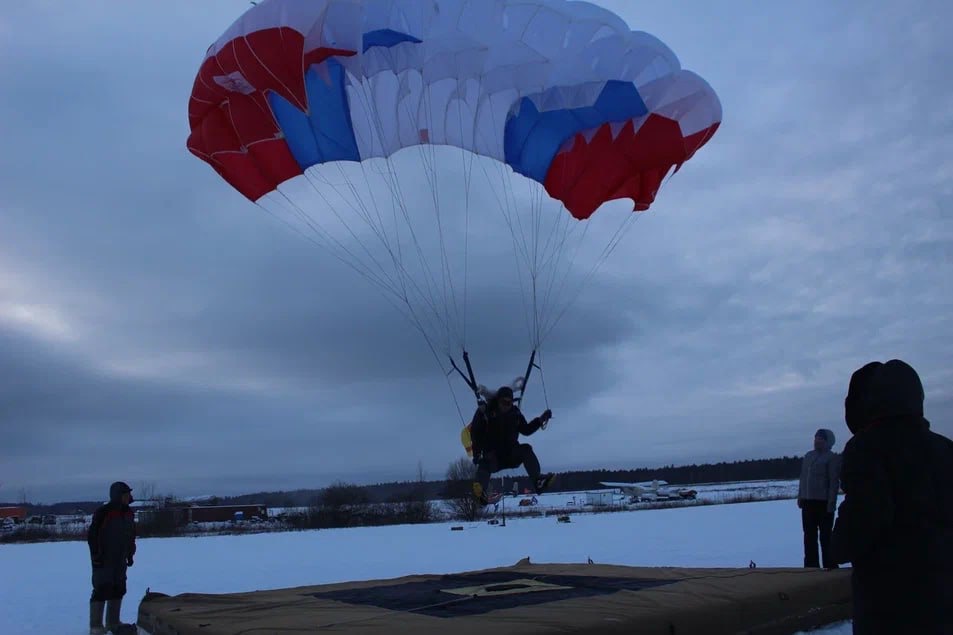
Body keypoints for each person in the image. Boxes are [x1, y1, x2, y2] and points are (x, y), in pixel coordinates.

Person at [831, 360, 953, 634]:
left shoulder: (866, 448)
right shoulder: (945, 448)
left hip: (889, 603)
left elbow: (866, 515)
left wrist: (837, 545)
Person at [469, 386, 553, 505]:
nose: (507, 405)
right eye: (504, 402)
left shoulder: (515, 413)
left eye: (509, 403)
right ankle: (480, 492)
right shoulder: (486, 412)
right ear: (498, 401)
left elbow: (526, 430)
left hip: (511, 454)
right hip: (494, 457)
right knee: (484, 463)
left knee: (526, 449)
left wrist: (540, 420)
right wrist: (476, 453)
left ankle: (538, 481)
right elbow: (475, 433)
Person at [87, 481, 137, 635]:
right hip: (104, 558)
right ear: (117, 495)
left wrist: (130, 553)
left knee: (118, 588)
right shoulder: (104, 512)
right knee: (102, 588)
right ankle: (96, 626)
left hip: (120, 558)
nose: (128, 496)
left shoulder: (129, 513)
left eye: (128, 494)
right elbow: (93, 536)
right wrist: (96, 555)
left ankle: (113, 622)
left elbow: (130, 534)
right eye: (125, 494)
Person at [796, 428, 841, 568]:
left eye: (821, 439)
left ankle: (830, 566)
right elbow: (803, 478)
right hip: (808, 503)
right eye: (816, 438)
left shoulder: (832, 458)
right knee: (809, 537)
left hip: (823, 503)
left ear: (828, 441)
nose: (817, 441)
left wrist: (831, 503)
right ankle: (811, 567)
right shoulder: (808, 456)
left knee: (826, 537)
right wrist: (800, 496)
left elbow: (834, 482)